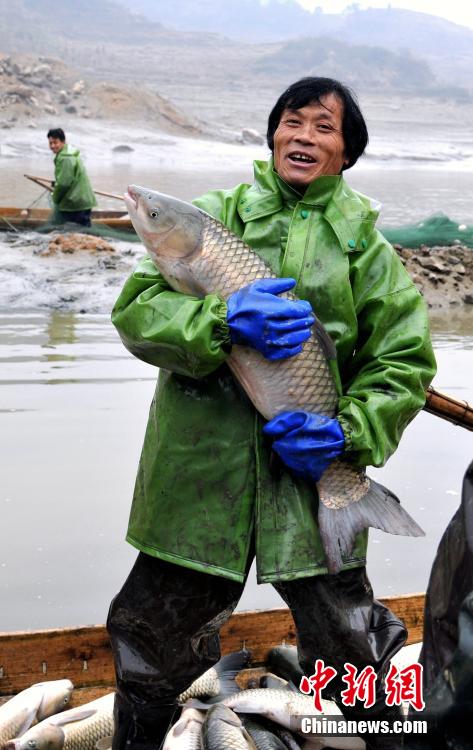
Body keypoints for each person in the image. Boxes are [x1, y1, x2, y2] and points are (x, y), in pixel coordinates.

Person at [107, 77, 437, 749]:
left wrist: (343, 436)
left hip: (312, 480)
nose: (303, 137)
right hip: (200, 480)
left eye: (323, 127)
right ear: (271, 133)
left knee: (351, 651)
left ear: (347, 152)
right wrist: (219, 319)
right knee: (150, 643)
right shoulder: (211, 218)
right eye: (292, 122)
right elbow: (137, 315)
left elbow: (402, 365)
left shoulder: (368, 254)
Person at [47, 128, 97, 226]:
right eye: (50, 143)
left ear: (63, 142)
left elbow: (64, 183)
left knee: (74, 232)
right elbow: (66, 178)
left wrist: (55, 198)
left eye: (55, 142)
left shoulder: (66, 158)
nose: (52, 146)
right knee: (82, 232)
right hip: (82, 201)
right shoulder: (68, 153)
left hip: (75, 203)